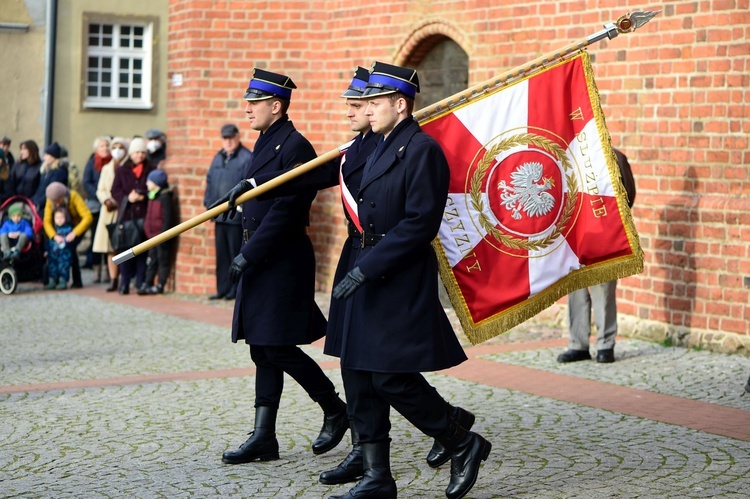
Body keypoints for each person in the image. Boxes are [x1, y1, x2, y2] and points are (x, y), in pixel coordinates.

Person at [321, 62, 492, 499]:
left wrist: (369, 265)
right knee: (357, 372)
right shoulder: (376, 145)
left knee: (390, 375)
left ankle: (461, 440)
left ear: (400, 104)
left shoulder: (421, 150)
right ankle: (378, 475)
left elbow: (420, 223)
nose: (367, 108)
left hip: (393, 273)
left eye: (376, 102)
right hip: (363, 266)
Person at [211, 68, 348, 465]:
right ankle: (263, 436)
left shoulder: (294, 145)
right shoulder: (266, 140)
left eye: (255, 104)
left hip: (282, 260)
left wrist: (248, 254)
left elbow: (287, 210)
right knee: (261, 348)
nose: (248, 110)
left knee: (277, 345)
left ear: (276, 105)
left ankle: (334, 407)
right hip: (261, 256)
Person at [557, 148, 636, 364]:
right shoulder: (570, 156)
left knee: (604, 290)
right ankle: (578, 344)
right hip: (577, 234)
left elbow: (629, 194)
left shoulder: (616, 156)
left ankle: (605, 345)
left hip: (606, 234)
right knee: (576, 288)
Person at [203, 123, 251, 300]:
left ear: (238, 137)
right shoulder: (218, 157)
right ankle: (222, 289)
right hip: (220, 216)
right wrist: (208, 202)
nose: (228, 141)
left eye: (231, 137)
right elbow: (210, 181)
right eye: (225, 138)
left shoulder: (246, 158)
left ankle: (234, 290)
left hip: (236, 216)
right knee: (222, 256)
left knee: (234, 255)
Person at [110, 137, 154, 294]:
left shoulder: (150, 169)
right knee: (125, 252)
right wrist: (127, 198)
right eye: (137, 152)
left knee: (142, 250)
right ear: (131, 154)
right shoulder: (122, 170)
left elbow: (155, 188)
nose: (140, 156)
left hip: (143, 216)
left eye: (142, 152)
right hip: (127, 217)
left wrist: (145, 195)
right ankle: (124, 282)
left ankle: (140, 282)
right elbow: (115, 190)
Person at [93, 137, 129, 292]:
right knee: (110, 248)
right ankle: (113, 278)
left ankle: (123, 278)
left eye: (120, 147)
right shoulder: (107, 168)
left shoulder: (127, 167)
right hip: (108, 211)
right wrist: (106, 200)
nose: (117, 150)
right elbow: (100, 189)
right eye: (115, 147)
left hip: (123, 210)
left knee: (123, 247)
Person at [43, 182, 93, 289]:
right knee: (54, 253)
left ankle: (76, 280)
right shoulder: (50, 200)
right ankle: (53, 278)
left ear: (63, 197)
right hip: (58, 230)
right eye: (54, 202)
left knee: (71, 250)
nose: (56, 205)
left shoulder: (73, 196)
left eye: (58, 201)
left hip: (76, 227)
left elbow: (87, 217)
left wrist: (75, 233)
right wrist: (54, 236)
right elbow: (46, 221)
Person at [137, 169, 175, 295]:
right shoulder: (152, 196)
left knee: (162, 260)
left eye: (149, 181)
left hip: (161, 236)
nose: (147, 183)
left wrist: (164, 235)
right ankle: (148, 282)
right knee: (151, 260)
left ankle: (160, 284)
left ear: (156, 182)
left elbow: (167, 218)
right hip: (151, 236)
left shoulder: (165, 197)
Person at [82, 136, 112, 281]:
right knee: (95, 238)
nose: (105, 148)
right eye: (102, 146)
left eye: (107, 145)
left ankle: (107, 268)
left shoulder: (114, 163)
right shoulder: (91, 162)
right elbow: (86, 182)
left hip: (109, 204)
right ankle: (96, 268)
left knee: (108, 239)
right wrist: (98, 194)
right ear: (97, 149)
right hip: (95, 204)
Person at [44, 206, 74, 290]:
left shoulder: (68, 229)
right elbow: (48, 241)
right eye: (57, 218)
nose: (59, 220)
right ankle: (52, 280)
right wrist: (46, 250)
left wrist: (66, 242)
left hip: (64, 255)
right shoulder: (52, 230)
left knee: (63, 268)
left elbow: (70, 242)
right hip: (53, 254)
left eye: (61, 217)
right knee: (52, 267)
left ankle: (63, 281)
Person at [33, 142, 69, 212]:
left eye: (46, 155)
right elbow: (41, 188)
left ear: (53, 157)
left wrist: (38, 202)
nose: (44, 157)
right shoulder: (46, 170)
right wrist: (34, 200)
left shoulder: (60, 171)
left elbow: (52, 192)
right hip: (40, 204)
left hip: (50, 206)